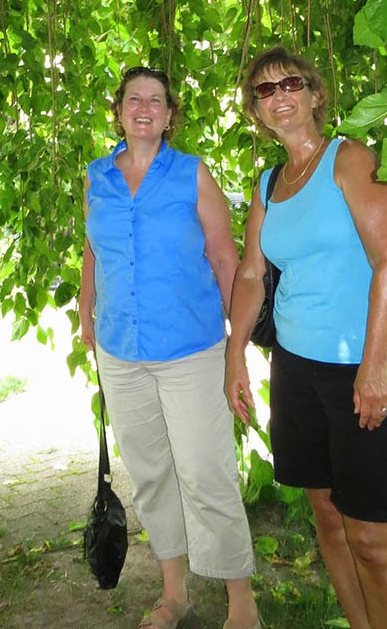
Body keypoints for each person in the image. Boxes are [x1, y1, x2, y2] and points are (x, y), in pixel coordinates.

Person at [225, 46, 387, 629]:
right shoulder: (268, 184)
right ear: (256, 110)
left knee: (374, 537)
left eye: (291, 83)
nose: (279, 96)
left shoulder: (351, 159)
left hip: (369, 366)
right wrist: (235, 358)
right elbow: (251, 274)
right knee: (329, 518)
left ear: (315, 94)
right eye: (265, 90)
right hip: (296, 370)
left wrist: (374, 365)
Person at [80, 65, 261, 629]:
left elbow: (225, 257)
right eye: (134, 98)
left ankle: (242, 604)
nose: (143, 108)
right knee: (152, 475)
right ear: (118, 111)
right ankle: (174, 595)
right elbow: (93, 248)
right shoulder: (96, 177)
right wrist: (86, 309)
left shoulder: (192, 174)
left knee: (206, 474)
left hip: (190, 350)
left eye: (155, 100)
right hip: (120, 352)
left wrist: (238, 348)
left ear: (168, 116)